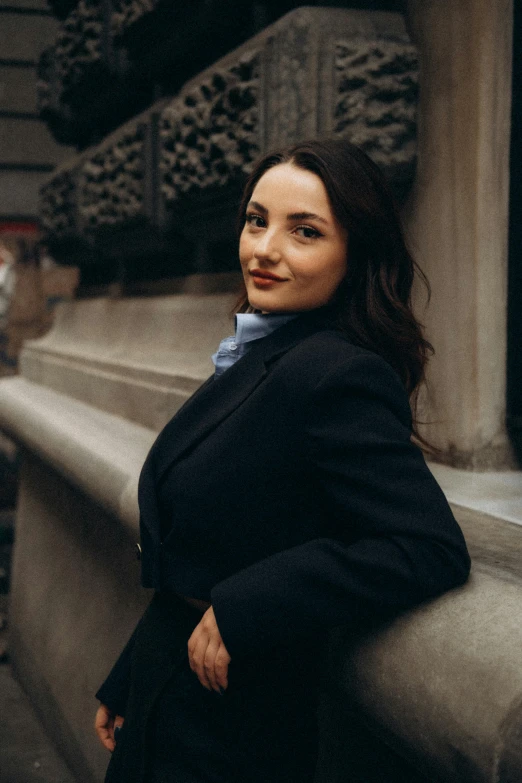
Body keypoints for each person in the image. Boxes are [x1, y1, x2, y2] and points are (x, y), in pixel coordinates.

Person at [94, 139, 471, 782]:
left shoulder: (339, 374)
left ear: (356, 256)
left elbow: (426, 545)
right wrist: (135, 671)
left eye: (305, 232)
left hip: (233, 724)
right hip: (170, 687)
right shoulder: (267, 349)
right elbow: (206, 539)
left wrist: (251, 603)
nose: (264, 249)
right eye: (256, 219)